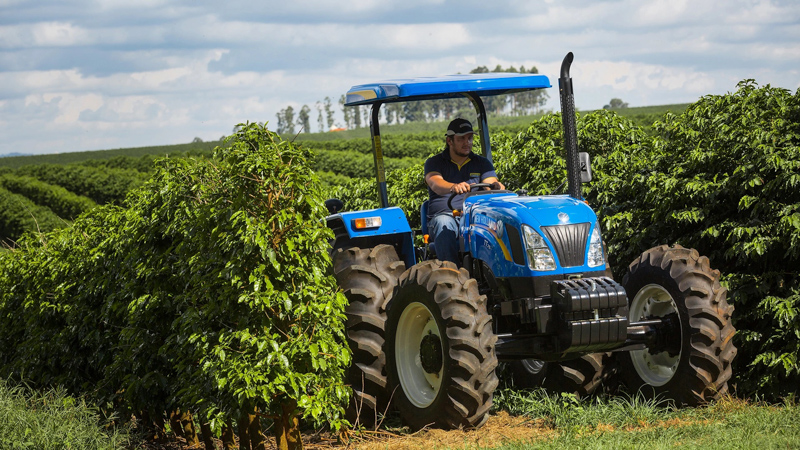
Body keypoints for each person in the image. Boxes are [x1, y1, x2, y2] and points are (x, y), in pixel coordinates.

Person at [424, 118, 505, 265]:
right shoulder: (434, 162)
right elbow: (435, 183)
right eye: (461, 139)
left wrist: (496, 186)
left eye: (469, 138)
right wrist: (453, 187)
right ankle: (451, 272)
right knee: (444, 223)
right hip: (446, 215)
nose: (467, 142)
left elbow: (490, 183)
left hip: (475, 216)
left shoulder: (481, 163)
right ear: (449, 141)